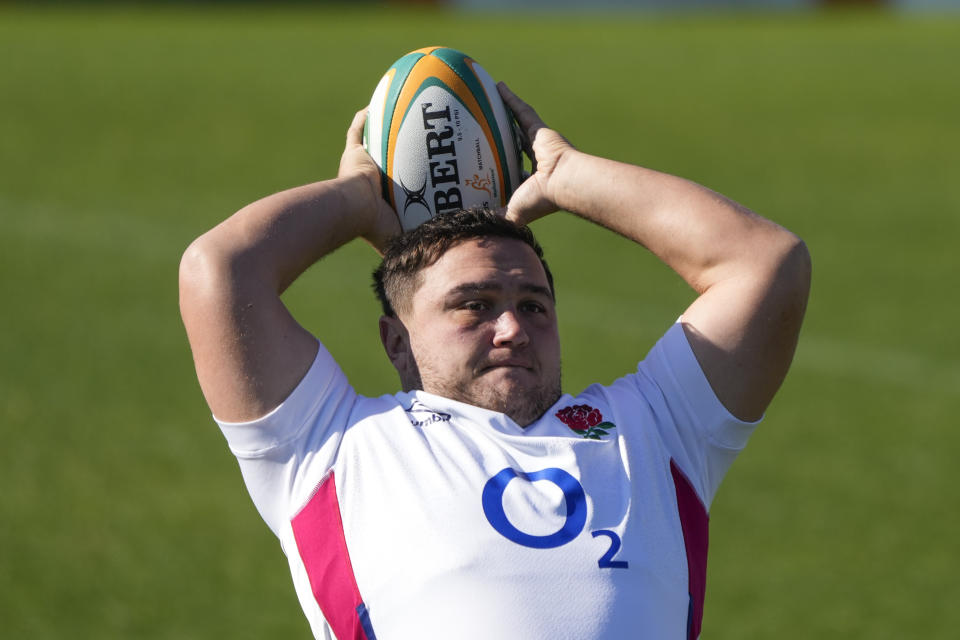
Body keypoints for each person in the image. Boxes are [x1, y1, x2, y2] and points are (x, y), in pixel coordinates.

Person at [179, 83, 810, 640]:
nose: (511, 328)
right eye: (473, 306)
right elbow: (221, 274)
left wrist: (567, 175)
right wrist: (355, 197)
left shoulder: (657, 429)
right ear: (396, 341)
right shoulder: (329, 447)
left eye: (534, 306)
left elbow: (766, 264)